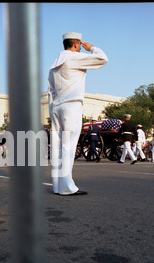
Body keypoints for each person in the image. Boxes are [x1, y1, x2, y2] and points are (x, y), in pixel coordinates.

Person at [48, 32, 108, 195]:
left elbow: (50, 91)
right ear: (75, 44)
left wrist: (52, 110)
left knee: (57, 147)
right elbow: (103, 59)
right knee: (68, 146)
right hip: (71, 106)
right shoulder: (74, 58)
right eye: (80, 44)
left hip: (57, 107)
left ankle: (57, 185)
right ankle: (67, 186)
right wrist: (92, 48)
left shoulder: (55, 64)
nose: (82, 47)